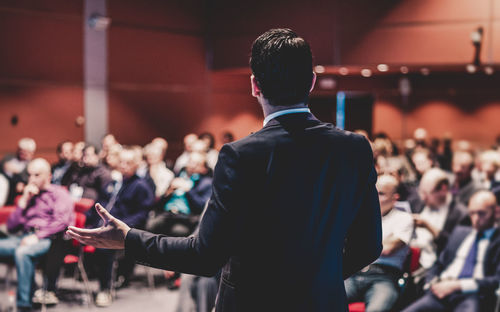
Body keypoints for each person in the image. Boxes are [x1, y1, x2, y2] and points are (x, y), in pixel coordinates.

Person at [67, 28, 382, 311]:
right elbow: (368, 246)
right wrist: (318, 278)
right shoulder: (354, 148)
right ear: (312, 81)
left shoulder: (240, 155)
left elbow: (205, 255)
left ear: (255, 85)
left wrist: (129, 239)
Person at [402, 190, 500, 312]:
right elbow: (439, 264)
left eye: (481, 213)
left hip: (473, 295)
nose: (475, 219)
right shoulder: (460, 233)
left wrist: (457, 286)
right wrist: (431, 284)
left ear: (496, 212)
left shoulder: (497, 240)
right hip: (441, 292)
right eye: (472, 213)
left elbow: (496, 279)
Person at [0, 158, 74, 312]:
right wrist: (24, 200)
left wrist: (38, 236)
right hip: (24, 237)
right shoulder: (29, 196)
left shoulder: (59, 193)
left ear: (48, 176)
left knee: (22, 253)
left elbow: (62, 221)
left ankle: (23, 305)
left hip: (48, 240)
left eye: (36, 175)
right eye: (29, 175)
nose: (31, 179)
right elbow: (12, 227)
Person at [84, 147, 155, 307]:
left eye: (128, 163)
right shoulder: (115, 182)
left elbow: (142, 215)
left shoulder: (141, 186)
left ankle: (105, 289)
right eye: (121, 162)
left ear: (136, 164)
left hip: (126, 230)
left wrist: (120, 226)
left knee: (104, 246)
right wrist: (89, 218)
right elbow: (100, 203)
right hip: (104, 225)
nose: (123, 165)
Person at [345, 174, 414, 312]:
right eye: (374, 193)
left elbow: (387, 249)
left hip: (384, 277)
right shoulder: (362, 216)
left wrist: (360, 241)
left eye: (381, 194)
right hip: (355, 272)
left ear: (395, 198)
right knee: (322, 298)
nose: (376, 198)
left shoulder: (404, 218)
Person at [411, 168, 468, 270]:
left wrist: (428, 226)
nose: (423, 198)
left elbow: (453, 247)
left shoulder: (460, 214)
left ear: (443, 189)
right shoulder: (419, 205)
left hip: (438, 266)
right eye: (421, 192)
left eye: (427, 193)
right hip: (413, 261)